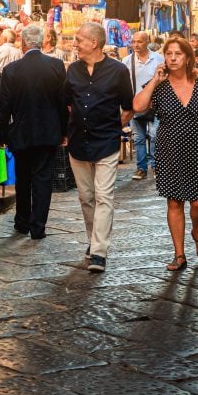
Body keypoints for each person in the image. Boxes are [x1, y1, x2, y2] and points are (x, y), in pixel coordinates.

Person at [133, 37, 198, 271]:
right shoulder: (160, 86)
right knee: (175, 202)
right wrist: (154, 82)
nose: (174, 58)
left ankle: (197, 233)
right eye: (169, 54)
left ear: (188, 57)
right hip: (169, 151)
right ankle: (179, 254)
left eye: (179, 54)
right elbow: (138, 107)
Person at [64, 22, 135, 272]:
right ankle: (93, 240)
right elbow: (66, 103)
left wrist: (116, 127)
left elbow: (129, 106)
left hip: (106, 142)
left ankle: (99, 252)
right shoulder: (72, 70)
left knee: (104, 196)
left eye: (79, 39)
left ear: (94, 43)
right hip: (78, 142)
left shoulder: (118, 71)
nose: (75, 44)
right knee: (86, 197)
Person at [0, 24, 68, 239]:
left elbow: (4, 107)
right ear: (39, 42)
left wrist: (2, 135)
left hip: (20, 132)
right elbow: (62, 104)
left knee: (23, 178)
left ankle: (22, 221)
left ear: (24, 43)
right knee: (43, 179)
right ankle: (38, 227)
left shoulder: (11, 70)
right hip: (48, 133)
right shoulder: (56, 66)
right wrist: (64, 132)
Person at [123, 31, 164, 180]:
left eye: (139, 42)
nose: (135, 45)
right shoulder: (127, 61)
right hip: (135, 104)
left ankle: (155, 165)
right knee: (139, 137)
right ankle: (141, 168)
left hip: (155, 104)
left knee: (154, 135)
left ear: (147, 42)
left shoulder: (158, 59)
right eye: (133, 42)